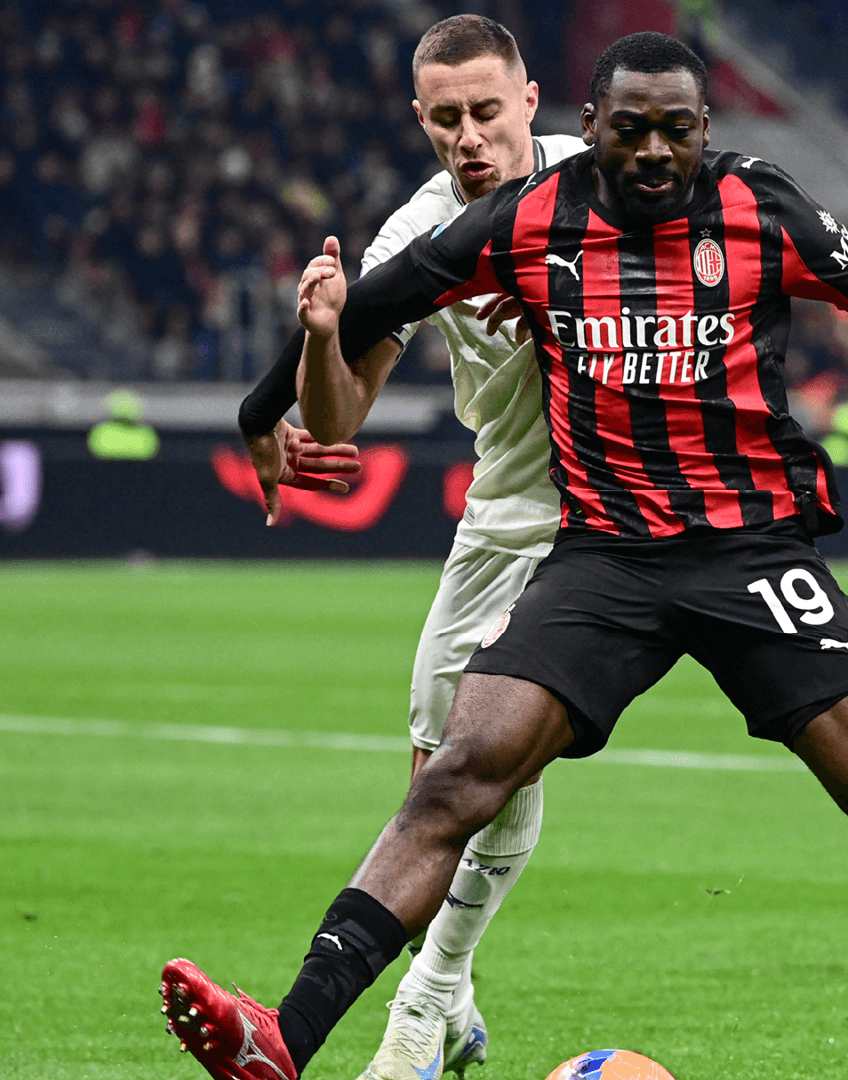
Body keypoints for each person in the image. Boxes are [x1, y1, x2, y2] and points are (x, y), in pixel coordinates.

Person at [163, 32, 848, 1080]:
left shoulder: (761, 206)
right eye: (629, 129)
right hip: (606, 562)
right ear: (588, 128)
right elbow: (363, 308)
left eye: (676, 131)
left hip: (752, 553)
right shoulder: (526, 218)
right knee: (453, 781)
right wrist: (260, 410)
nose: (652, 152)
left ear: (704, 130)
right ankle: (286, 1037)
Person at [230, 15, 587, 1079]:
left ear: (530, 101)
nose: (469, 136)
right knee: (438, 775)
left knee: (495, 756)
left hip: (614, 515)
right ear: (420, 119)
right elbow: (338, 417)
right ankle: (455, 1001)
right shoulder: (416, 234)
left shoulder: (601, 179)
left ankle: (422, 1010)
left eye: (487, 111)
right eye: (446, 118)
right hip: (506, 509)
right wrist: (319, 341)